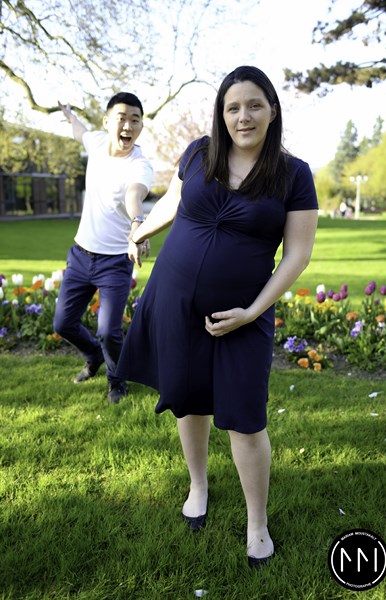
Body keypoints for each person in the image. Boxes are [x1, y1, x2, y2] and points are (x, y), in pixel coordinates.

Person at [116, 66, 318, 567]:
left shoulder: (294, 175)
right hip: (176, 301)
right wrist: (140, 232)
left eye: (254, 105)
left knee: (245, 420)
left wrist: (252, 312)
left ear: (272, 111)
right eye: (232, 107)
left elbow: (297, 255)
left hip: (244, 314)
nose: (242, 116)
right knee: (188, 402)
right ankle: (199, 486)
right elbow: (173, 202)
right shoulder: (199, 154)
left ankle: (257, 524)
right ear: (221, 114)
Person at [54, 92, 153, 404]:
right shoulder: (96, 143)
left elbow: (134, 195)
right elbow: (80, 131)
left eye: (135, 120)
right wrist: (69, 114)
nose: (128, 126)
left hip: (115, 263)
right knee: (63, 323)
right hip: (81, 255)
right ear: (107, 121)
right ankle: (93, 355)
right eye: (122, 118)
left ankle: (117, 380)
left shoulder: (139, 165)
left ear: (141, 126)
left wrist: (137, 224)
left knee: (109, 330)